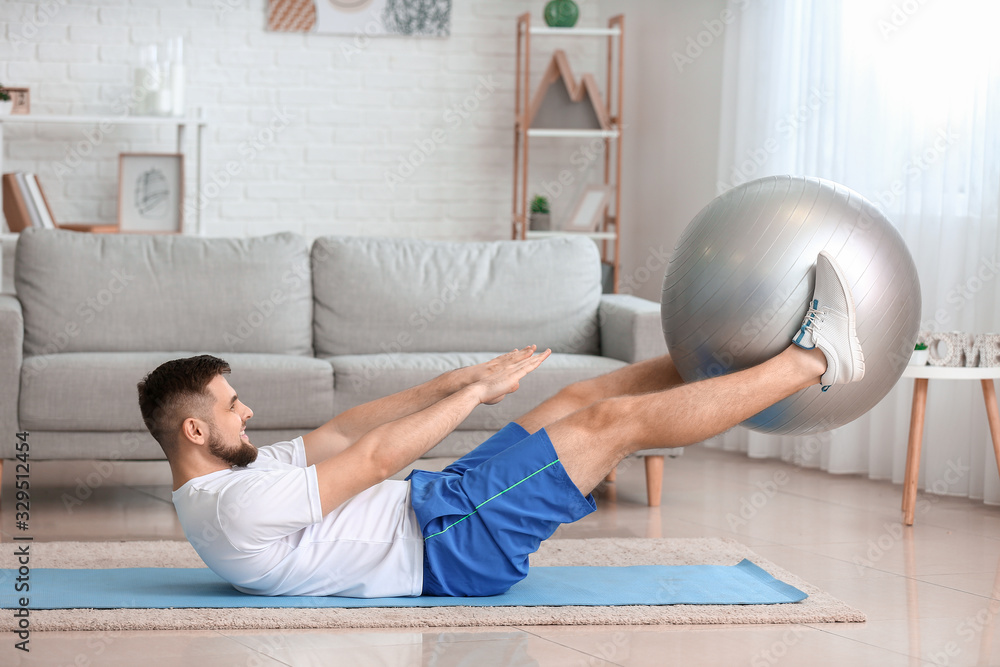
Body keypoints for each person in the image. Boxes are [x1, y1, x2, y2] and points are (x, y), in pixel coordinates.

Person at [137, 251, 864, 598]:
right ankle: (815, 357)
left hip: (443, 505)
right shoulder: (237, 506)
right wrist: (477, 394)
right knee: (609, 425)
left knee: (574, 399)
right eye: (234, 405)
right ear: (195, 431)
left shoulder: (233, 478)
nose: (249, 410)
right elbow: (375, 457)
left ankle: (729, 361)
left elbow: (347, 429)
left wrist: (463, 376)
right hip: (454, 545)